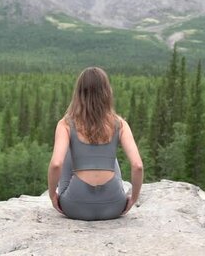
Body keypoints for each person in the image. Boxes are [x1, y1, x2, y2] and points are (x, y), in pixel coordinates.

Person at [47, 67, 143, 221]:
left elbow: (56, 164)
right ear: (107, 91)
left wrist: (52, 195)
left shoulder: (65, 124)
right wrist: (133, 198)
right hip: (114, 205)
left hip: (74, 206)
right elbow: (137, 165)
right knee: (111, 158)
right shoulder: (120, 124)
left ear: (78, 92)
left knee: (68, 152)